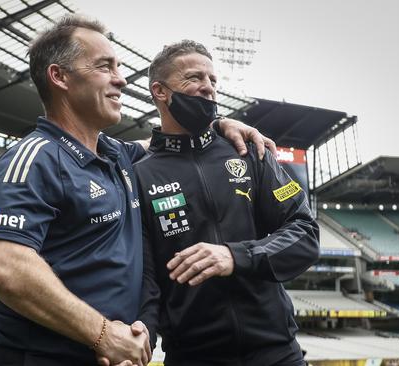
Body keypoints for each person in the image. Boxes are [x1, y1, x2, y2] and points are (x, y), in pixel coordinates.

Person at [0, 15, 274, 366]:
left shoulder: (117, 154)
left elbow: (168, 144)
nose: (121, 79)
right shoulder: (34, 157)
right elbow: (3, 266)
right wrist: (102, 334)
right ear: (59, 77)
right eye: (105, 67)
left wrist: (219, 124)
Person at [133, 40, 320, 366]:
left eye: (213, 80)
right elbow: (145, 278)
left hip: (276, 352)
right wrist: (141, 337)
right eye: (194, 78)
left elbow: (305, 233)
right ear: (160, 92)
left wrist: (236, 255)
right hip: (192, 356)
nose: (208, 87)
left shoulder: (250, 152)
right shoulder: (139, 175)